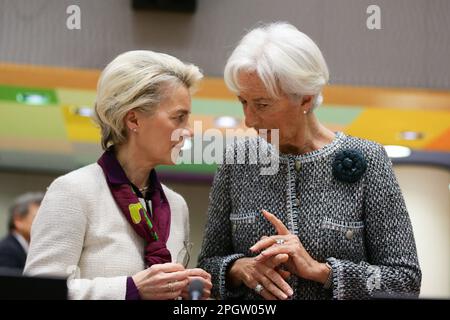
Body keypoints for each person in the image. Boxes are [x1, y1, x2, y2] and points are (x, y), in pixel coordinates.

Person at [198, 22, 421, 300]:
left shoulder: (370, 161)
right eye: (243, 102)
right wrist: (238, 268)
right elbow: (205, 267)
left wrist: (321, 271)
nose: (250, 120)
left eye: (262, 104)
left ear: (306, 98)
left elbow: (405, 280)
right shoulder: (237, 163)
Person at [24, 50, 212, 300]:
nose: (188, 132)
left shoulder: (176, 205)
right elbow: (37, 292)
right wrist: (130, 289)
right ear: (133, 119)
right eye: (179, 118)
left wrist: (186, 293)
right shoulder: (73, 191)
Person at [0, 192, 44, 273]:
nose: (43, 223)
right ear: (18, 220)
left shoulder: (27, 247)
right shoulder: (6, 251)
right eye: (38, 218)